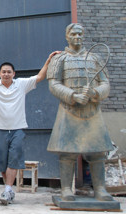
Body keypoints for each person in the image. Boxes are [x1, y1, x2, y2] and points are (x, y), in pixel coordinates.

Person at [0, 51, 60, 205]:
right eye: (4, 72)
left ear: (14, 74)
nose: (6, 74)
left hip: (18, 129)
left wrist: (49, 60)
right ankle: (8, 189)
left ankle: (8, 189)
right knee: (2, 163)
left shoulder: (22, 84)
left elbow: (40, 77)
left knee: (14, 160)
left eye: (9, 72)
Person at [46, 23, 114, 202]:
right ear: (67, 37)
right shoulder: (59, 59)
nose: (77, 37)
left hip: (92, 111)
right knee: (67, 153)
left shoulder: (95, 58)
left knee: (97, 152)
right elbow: (53, 84)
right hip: (69, 110)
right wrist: (73, 96)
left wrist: (95, 93)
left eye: (80, 34)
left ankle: (100, 189)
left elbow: (105, 83)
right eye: (73, 34)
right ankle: (66, 189)